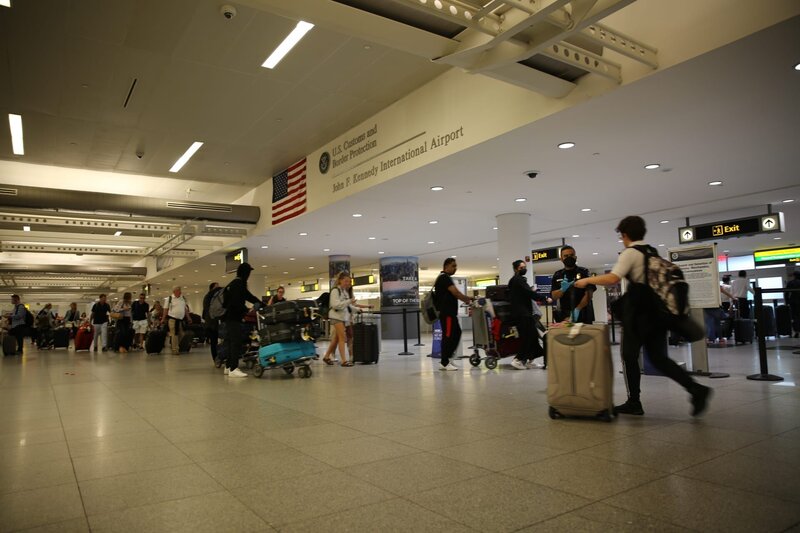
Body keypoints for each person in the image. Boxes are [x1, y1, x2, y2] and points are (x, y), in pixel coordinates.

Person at [574, 215, 712, 417]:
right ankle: (695, 389)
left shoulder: (630, 253)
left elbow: (613, 278)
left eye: (621, 236)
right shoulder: (650, 251)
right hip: (657, 313)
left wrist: (587, 280)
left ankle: (634, 402)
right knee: (658, 358)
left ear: (625, 234)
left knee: (629, 355)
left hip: (640, 315)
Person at [222, 263, 261, 377]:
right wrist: (246, 310)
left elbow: (248, 296)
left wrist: (260, 303)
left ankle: (228, 367)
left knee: (230, 342)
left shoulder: (234, 283)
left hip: (229, 318)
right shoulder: (238, 284)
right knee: (236, 343)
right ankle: (233, 368)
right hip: (234, 318)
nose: (249, 275)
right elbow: (237, 302)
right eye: (249, 272)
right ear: (245, 273)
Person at [322, 272, 369, 366]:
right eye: (346, 281)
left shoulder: (344, 292)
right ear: (340, 280)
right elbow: (335, 305)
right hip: (336, 317)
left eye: (349, 281)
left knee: (335, 339)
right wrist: (349, 301)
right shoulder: (335, 291)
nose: (348, 283)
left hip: (343, 318)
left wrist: (357, 309)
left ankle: (326, 356)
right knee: (342, 338)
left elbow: (348, 307)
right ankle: (344, 361)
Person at [434, 257, 472, 371]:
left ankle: (448, 359)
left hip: (450, 313)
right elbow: (456, 293)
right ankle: (444, 362)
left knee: (456, 333)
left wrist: (467, 298)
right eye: (453, 266)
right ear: (446, 267)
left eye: (456, 266)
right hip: (447, 314)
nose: (455, 268)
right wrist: (467, 299)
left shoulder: (445, 278)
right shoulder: (444, 278)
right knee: (449, 336)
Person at [508, 259, 546, 370]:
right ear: (516, 269)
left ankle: (531, 360)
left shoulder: (516, 280)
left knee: (533, 336)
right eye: (521, 268)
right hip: (522, 314)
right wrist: (544, 298)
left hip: (523, 312)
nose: (524, 269)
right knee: (528, 337)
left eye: (524, 267)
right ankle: (518, 360)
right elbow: (529, 293)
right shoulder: (518, 280)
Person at [551, 245, 595, 323]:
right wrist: (562, 290)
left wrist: (577, 309)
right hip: (565, 316)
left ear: (575, 257)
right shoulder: (558, 275)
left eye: (571, 255)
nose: (569, 257)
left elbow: (589, 294)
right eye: (566, 256)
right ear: (561, 259)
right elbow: (554, 296)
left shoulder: (584, 272)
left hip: (583, 313)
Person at [162, 286, 190, 356]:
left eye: (180, 290)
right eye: (178, 291)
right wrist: (163, 318)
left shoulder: (183, 298)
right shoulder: (169, 299)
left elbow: (185, 309)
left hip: (180, 319)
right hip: (172, 319)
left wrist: (188, 317)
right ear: (174, 292)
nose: (180, 292)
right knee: (174, 334)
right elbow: (165, 309)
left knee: (181, 334)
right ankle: (175, 349)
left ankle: (175, 345)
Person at [202, 282, 222, 364]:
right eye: (216, 287)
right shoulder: (208, 297)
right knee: (214, 341)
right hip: (211, 323)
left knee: (218, 341)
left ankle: (220, 356)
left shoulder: (216, 297)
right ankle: (215, 358)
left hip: (215, 322)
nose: (218, 289)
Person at [785, 270, 800, 338]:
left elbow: (786, 293)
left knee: (795, 317)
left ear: (794, 276)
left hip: (793, 302)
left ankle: (796, 331)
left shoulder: (790, 282)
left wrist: (787, 302)